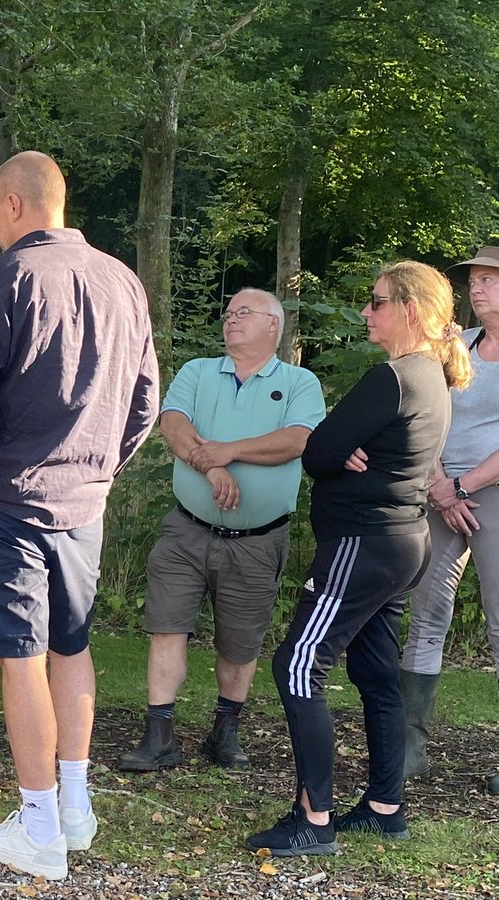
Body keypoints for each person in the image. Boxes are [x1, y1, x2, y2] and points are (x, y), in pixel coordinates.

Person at [0, 151, 159, 880]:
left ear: (10, 204)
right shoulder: (123, 280)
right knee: (72, 644)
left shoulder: (4, 277)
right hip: (83, 499)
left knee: (19, 655)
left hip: (11, 495)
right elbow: (145, 402)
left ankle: (38, 829)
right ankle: (74, 803)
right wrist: (101, 470)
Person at [248, 261, 471, 856]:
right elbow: (334, 448)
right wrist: (338, 446)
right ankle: (384, 807)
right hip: (402, 543)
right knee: (375, 675)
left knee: (297, 665)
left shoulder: (393, 378)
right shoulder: (431, 379)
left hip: (362, 543)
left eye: (377, 302)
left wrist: (335, 448)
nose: (367, 313)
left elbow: (319, 452)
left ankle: (313, 820)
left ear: (411, 311)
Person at [117, 289, 325, 773]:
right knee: (167, 627)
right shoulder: (198, 372)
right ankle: (159, 735)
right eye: (228, 313)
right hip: (186, 532)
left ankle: (224, 731)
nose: (231, 320)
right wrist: (212, 469)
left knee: (240, 641)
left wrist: (229, 450)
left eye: (243, 313)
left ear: (273, 325)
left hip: (257, 541)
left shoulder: (299, 381)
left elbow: (300, 439)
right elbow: (172, 425)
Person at [399, 246, 499, 796]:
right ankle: (411, 745)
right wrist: (441, 485)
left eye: (489, 280)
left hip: (491, 495)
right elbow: (427, 412)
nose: (476, 288)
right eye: (474, 281)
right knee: (426, 611)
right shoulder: (455, 347)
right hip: (437, 491)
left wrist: (463, 486)